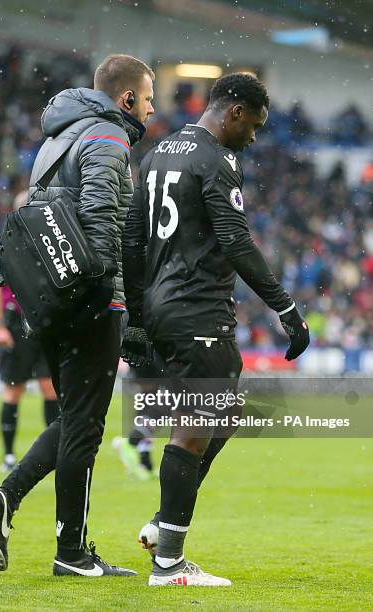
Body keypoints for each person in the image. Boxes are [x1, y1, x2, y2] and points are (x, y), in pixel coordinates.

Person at [121, 73, 310, 586]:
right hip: (198, 309)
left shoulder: (158, 152)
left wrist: (137, 319)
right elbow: (234, 239)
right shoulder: (217, 160)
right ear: (232, 112)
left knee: (222, 414)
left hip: (165, 308)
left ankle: (163, 526)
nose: (254, 137)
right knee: (196, 427)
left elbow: (133, 240)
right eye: (253, 125)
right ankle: (169, 563)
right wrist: (285, 306)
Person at [0, 54, 155, 577]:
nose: (149, 109)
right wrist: (109, 298)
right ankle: (69, 551)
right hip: (87, 297)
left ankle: (28, 517)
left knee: (76, 417)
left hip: (50, 298)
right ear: (126, 99)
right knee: (85, 424)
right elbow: (102, 215)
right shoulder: (108, 135)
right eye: (146, 98)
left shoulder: (57, 138)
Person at [0, 191, 59, 473]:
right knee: (13, 390)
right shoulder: (5, 244)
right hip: (16, 323)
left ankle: (54, 450)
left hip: (43, 320)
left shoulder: (45, 241)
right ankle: (7, 455)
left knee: (49, 386)